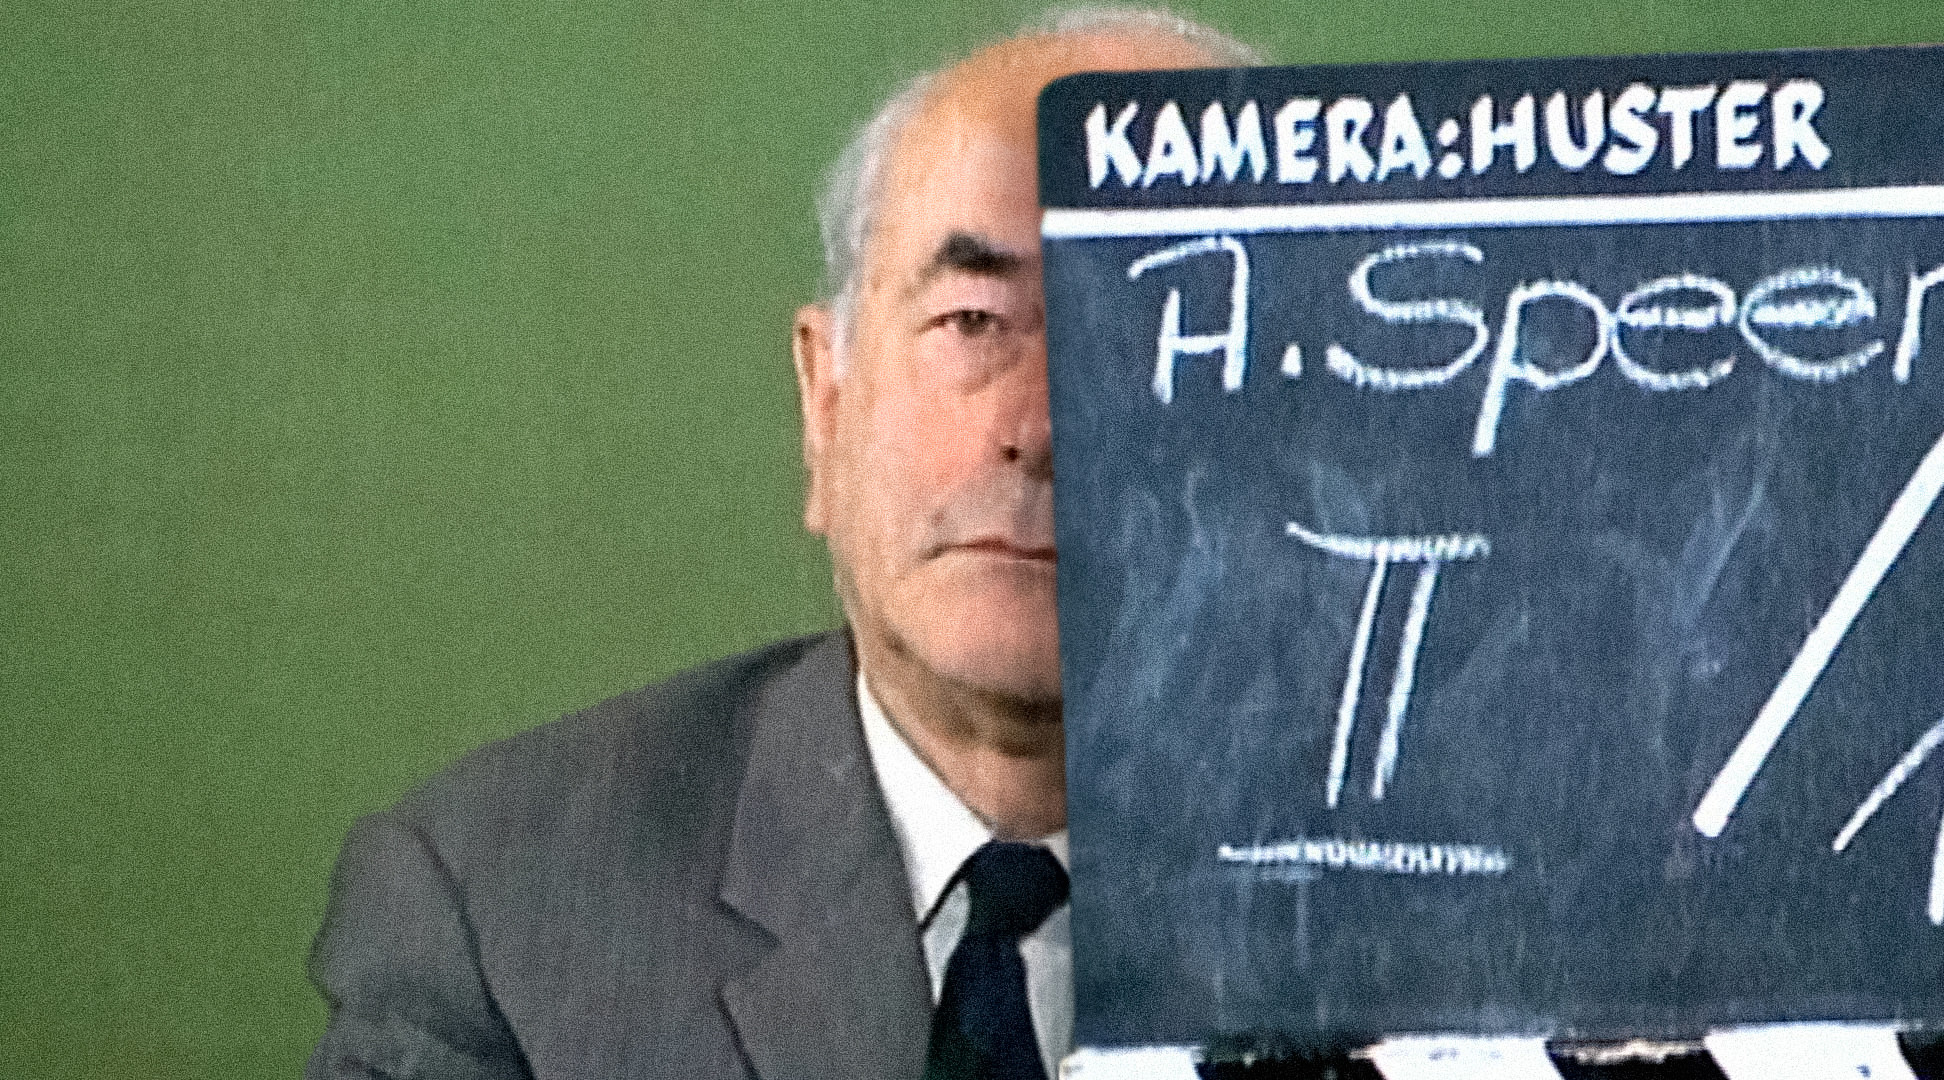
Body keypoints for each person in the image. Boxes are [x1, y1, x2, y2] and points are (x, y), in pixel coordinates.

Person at [305, 10, 1256, 1080]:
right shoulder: (496, 915)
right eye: (972, 322)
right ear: (825, 400)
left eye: (1150, 334)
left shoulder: (1419, 919)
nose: (1038, 428)